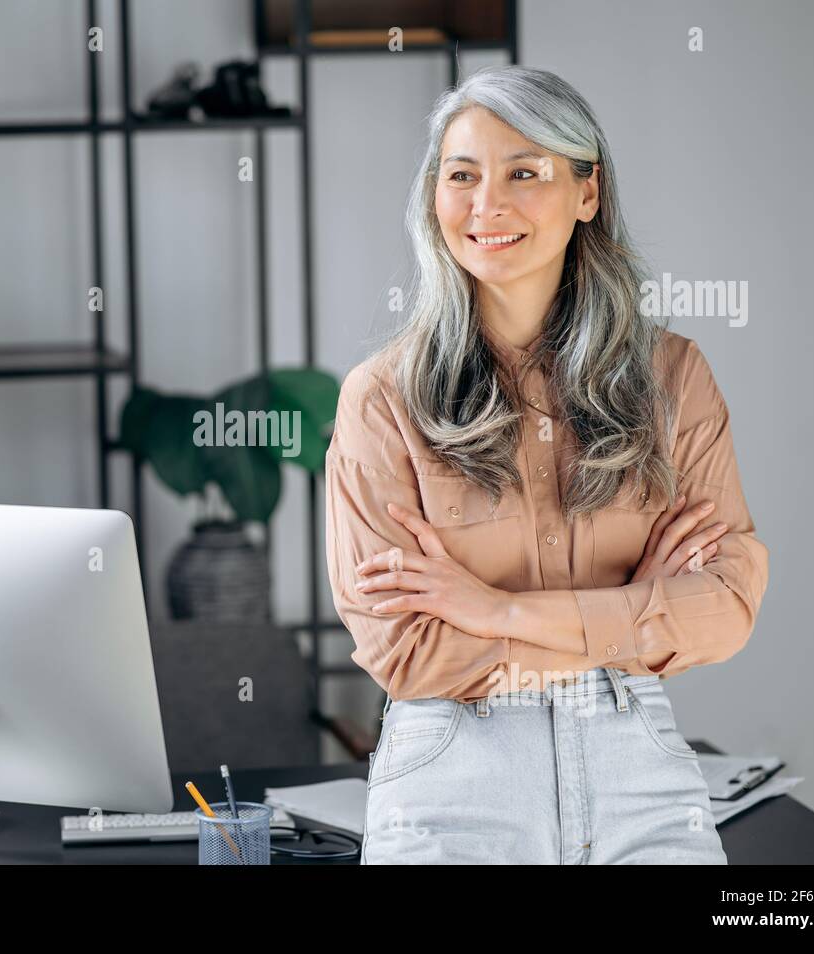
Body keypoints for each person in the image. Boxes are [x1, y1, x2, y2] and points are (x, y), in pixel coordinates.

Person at [324, 66, 770, 864]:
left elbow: (728, 605)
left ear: (587, 192)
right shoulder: (381, 399)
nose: (486, 204)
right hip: (449, 774)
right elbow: (406, 651)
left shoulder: (673, 378)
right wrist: (633, 610)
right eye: (461, 176)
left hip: (640, 767)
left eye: (525, 173)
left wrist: (495, 611)